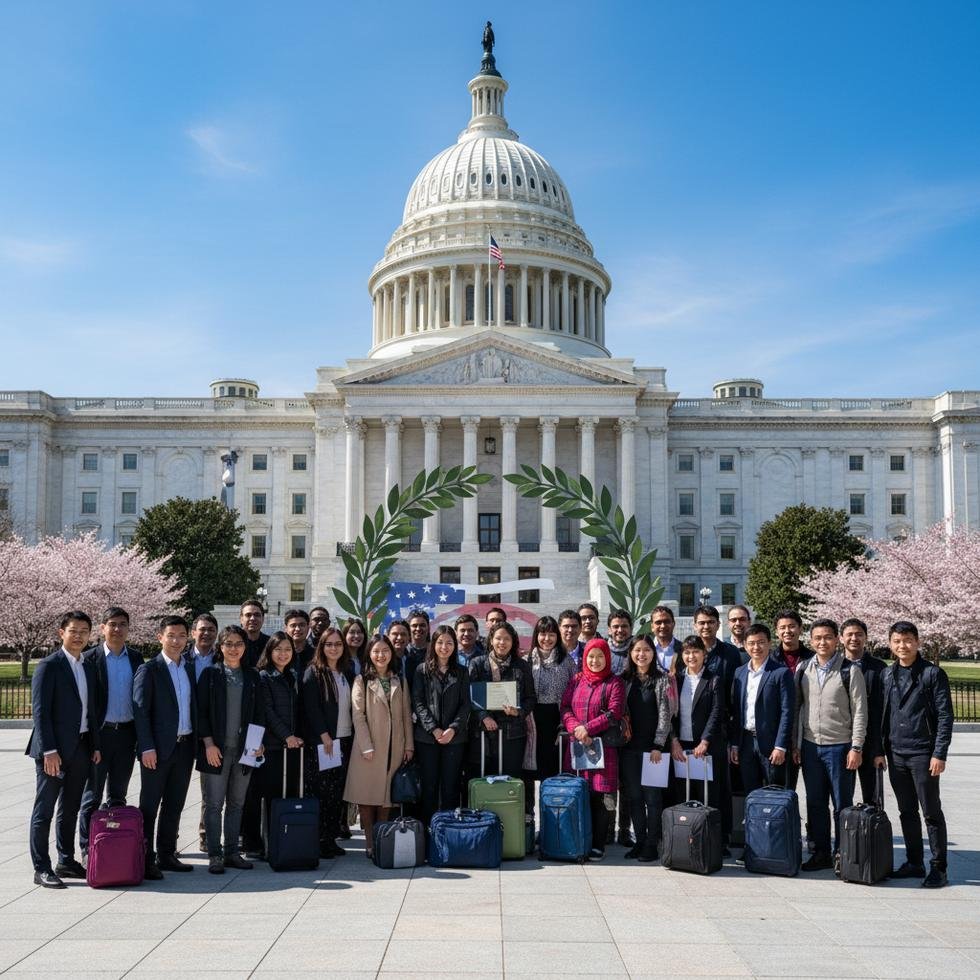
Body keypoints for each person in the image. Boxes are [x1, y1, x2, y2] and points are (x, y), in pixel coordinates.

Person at [27, 610, 102, 888]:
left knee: (70, 807)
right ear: (62, 633)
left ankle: (66, 860)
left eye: (84, 630)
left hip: (82, 748)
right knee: (44, 809)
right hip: (53, 752)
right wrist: (48, 750)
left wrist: (94, 745)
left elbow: (90, 711)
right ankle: (41, 867)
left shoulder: (88, 666)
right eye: (74, 630)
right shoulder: (50, 665)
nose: (79, 635)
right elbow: (40, 712)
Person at [879, 621, 953, 888]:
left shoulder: (932, 674)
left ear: (918, 642)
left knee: (931, 811)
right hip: (896, 753)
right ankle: (914, 862)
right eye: (897, 641)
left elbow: (945, 716)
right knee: (906, 811)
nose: (903, 646)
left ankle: (939, 867)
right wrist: (880, 750)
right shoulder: (887, 675)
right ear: (890, 644)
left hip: (923, 753)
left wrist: (939, 753)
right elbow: (883, 715)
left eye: (908, 640)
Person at [792, 618, 867, 872]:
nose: (822, 642)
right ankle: (820, 852)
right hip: (811, 746)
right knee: (815, 803)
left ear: (837, 640)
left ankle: (842, 854)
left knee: (841, 804)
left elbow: (859, 712)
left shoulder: (850, 670)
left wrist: (856, 747)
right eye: (817, 638)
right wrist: (796, 744)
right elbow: (797, 708)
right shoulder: (803, 668)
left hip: (840, 747)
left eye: (827, 637)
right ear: (810, 641)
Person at [197, 626, 265, 874]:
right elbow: (201, 713)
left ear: (244, 647)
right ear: (220, 647)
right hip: (216, 749)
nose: (234, 648)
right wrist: (208, 744)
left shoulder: (253, 677)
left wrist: (258, 742)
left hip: (244, 750)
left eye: (238, 643)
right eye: (228, 643)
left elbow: (259, 713)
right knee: (214, 804)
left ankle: (232, 852)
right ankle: (215, 854)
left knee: (237, 803)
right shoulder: (210, 675)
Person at [134, 615, 197, 879]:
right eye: (171, 635)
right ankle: (146, 858)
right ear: (160, 637)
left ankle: (167, 854)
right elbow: (140, 712)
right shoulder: (149, 670)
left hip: (184, 747)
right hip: (157, 751)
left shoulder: (189, 668)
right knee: (150, 805)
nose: (176, 640)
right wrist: (146, 747)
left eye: (181, 636)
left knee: (175, 803)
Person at [78, 606, 143, 864]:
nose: (117, 629)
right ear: (102, 628)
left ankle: (116, 845)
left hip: (126, 735)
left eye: (122, 625)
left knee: (118, 795)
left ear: (128, 629)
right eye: (112, 624)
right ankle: (87, 849)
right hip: (99, 737)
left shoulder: (136, 659)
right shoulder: (90, 659)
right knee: (91, 796)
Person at [344, 634, 414, 859]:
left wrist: (409, 746)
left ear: (391, 653)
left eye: (385, 650)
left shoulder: (399, 680)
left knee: (386, 798)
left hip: (394, 746)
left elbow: (405, 715)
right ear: (369, 654)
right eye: (376, 651)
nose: (380, 655)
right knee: (367, 798)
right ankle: (369, 842)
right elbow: (358, 715)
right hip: (369, 749)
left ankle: (382, 837)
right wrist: (366, 745)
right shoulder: (361, 680)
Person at [561, 638, 626, 860]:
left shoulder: (614, 682)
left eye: (600, 656)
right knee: (579, 794)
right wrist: (576, 728)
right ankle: (578, 839)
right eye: (590, 656)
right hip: (578, 745)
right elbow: (566, 707)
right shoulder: (577, 680)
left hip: (602, 748)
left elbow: (614, 712)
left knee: (599, 797)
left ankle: (598, 844)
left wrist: (587, 728)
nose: (595, 660)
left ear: (607, 657)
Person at [302, 627, 356, 858]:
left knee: (336, 792)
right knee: (321, 791)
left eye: (338, 644)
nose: (334, 648)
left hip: (344, 739)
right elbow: (311, 708)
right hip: (325, 743)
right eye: (329, 644)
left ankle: (331, 837)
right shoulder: (313, 672)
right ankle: (318, 839)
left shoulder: (347, 672)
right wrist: (324, 736)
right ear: (321, 647)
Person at [412, 625, 471, 828]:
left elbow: (466, 705)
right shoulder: (422, 670)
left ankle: (449, 830)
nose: (444, 647)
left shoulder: (462, 672)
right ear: (433, 644)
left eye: (449, 643)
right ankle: (428, 832)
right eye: (440, 642)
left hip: (455, 739)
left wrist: (453, 729)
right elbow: (418, 702)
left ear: (455, 646)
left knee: (450, 787)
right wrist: (434, 729)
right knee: (429, 787)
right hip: (427, 738)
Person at [619, 635, 672, 861]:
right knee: (634, 797)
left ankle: (652, 843)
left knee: (653, 798)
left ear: (653, 653)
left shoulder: (662, 680)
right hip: (629, 749)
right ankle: (639, 841)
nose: (642, 654)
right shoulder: (624, 680)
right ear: (630, 654)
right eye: (637, 650)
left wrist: (658, 744)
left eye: (646, 650)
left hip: (654, 750)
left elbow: (665, 715)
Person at [670, 635, 728, 832]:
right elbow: (669, 713)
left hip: (707, 746)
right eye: (687, 652)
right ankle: (685, 836)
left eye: (696, 651)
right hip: (682, 747)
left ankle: (713, 839)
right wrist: (674, 741)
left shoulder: (714, 679)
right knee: (684, 793)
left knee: (710, 795)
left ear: (704, 654)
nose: (691, 656)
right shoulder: (676, 679)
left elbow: (717, 711)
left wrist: (705, 741)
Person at [730, 624, 794, 795]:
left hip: (771, 743)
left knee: (774, 793)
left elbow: (787, 712)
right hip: (746, 743)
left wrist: (780, 746)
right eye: (751, 643)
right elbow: (737, 711)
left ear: (769, 643)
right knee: (751, 793)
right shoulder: (739, 672)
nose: (756, 647)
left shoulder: (781, 672)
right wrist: (735, 743)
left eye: (761, 642)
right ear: (745, 645)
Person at [523, 615, 578, 816]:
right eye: (542, 633)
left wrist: (566, 724)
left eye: (551, 634)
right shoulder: (526, 661)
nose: (547, 638)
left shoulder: (567, 662)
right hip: (531, 722)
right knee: (529, 774)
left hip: (557, 721)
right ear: (536, 635)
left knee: (553, 774)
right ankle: (529, 819)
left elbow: (575, 694)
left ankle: (552, 821)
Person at [468, 622, 536, 780]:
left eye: (507, 639)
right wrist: (483, 716)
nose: (502, 642)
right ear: (491, 640)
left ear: (513, 642)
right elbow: (470, 696)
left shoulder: (522, 666)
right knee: (484, 779)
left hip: (513, 733)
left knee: (510, 780)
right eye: (498, 638)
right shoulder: (477, 664)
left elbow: (530, 698)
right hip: (484, 733)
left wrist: (518, 711)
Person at [256, 631, 303, 848]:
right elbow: (267, 710)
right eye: (278, 649)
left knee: (289, 795)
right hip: (273, 746)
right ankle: (269, 843)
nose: (283, 654)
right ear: (270, 651)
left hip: (290, 746)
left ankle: (286, 840)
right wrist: (286, 735)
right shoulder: (263, 676)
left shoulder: (291, 675)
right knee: (271, 796)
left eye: (287, 649)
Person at [841, 618, 887, 804]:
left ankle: (871, 832)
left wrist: (879, 749)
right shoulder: (835, 666)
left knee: (873, 797)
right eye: (849, 634)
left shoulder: (879, 668)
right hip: (842, 740)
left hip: (871, 741)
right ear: (841, 638)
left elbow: (882, 711)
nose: (854, 638)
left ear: (866, 638)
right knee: (843, 796)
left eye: (859, 634)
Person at [186, 612, 219, 851]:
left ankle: (206, 834)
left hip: (212, 733)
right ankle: (167, 841)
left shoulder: (222, 659)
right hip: (184, 730)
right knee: (174, 790)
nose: (206, 633)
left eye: (211, 629)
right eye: (202, 629)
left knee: (210, 790)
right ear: (193, 632)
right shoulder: (181, 659)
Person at [650, 605, 682, 674]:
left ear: (673, 624)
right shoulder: (646, 649)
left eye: (666, 622)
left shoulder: (684, 649)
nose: (663, 626)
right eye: (658, 622)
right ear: (652, 627)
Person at [239, 599, 270, 670]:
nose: (252, 618)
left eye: (257, 615)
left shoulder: (270, 643)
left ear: (263, 619)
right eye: (248, 615)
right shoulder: (232, 643)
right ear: (241, 619)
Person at [405, 609, 430, 685]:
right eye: (414, 625)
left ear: (428, 627)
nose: (418, 629)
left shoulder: (435, 651)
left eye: (422, 625)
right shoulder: (404, 651)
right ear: (408, 628)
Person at [605, 609, 633, 675]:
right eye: (616, 627)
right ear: (609, 630)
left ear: (631, 629)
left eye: (624, 626)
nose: (620, 630)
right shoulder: (603, 650)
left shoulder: (638, 649)